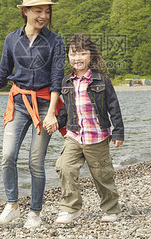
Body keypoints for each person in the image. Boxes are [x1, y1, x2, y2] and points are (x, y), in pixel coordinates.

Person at [0, 0, 65, 228]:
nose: (43, 15)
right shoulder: (11, 40)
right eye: (38, 10)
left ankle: (35, 212)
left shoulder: (55, 41)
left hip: (46, 105)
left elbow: (57, 79)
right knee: (7, 155)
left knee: (36, 160)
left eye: (47, 11)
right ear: (25, 12)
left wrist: (53, 112)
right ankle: (12, 206)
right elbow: (1, 75)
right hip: (18, 104)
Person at [48, 34, 125, 225]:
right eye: (73, 54)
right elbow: (67, 108)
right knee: (64, 167)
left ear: (91, 56)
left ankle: (111, 209)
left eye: (82, 53)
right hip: (73, 135)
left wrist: (118, 132)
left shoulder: (102, 80)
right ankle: (71, 208)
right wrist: (57, 121)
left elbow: (113, 107)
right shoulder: (67, 82)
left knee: (102, 175)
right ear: (68, 57)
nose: (77, 58)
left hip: (97, 136)